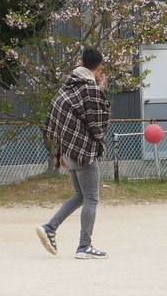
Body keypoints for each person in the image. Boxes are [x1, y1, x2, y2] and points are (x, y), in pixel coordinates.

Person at [36, 47, 111, 260]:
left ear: (81, 62)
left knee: (80, 196)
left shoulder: (68, 86)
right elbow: (98, 122)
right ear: (100, 67)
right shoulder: (90, 89)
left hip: (68, 150)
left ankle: (50, 227)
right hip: (84, 151)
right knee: (91, 198)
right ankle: (84, 246)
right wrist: (100, 91)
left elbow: (60, 117)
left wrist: (60, 150)